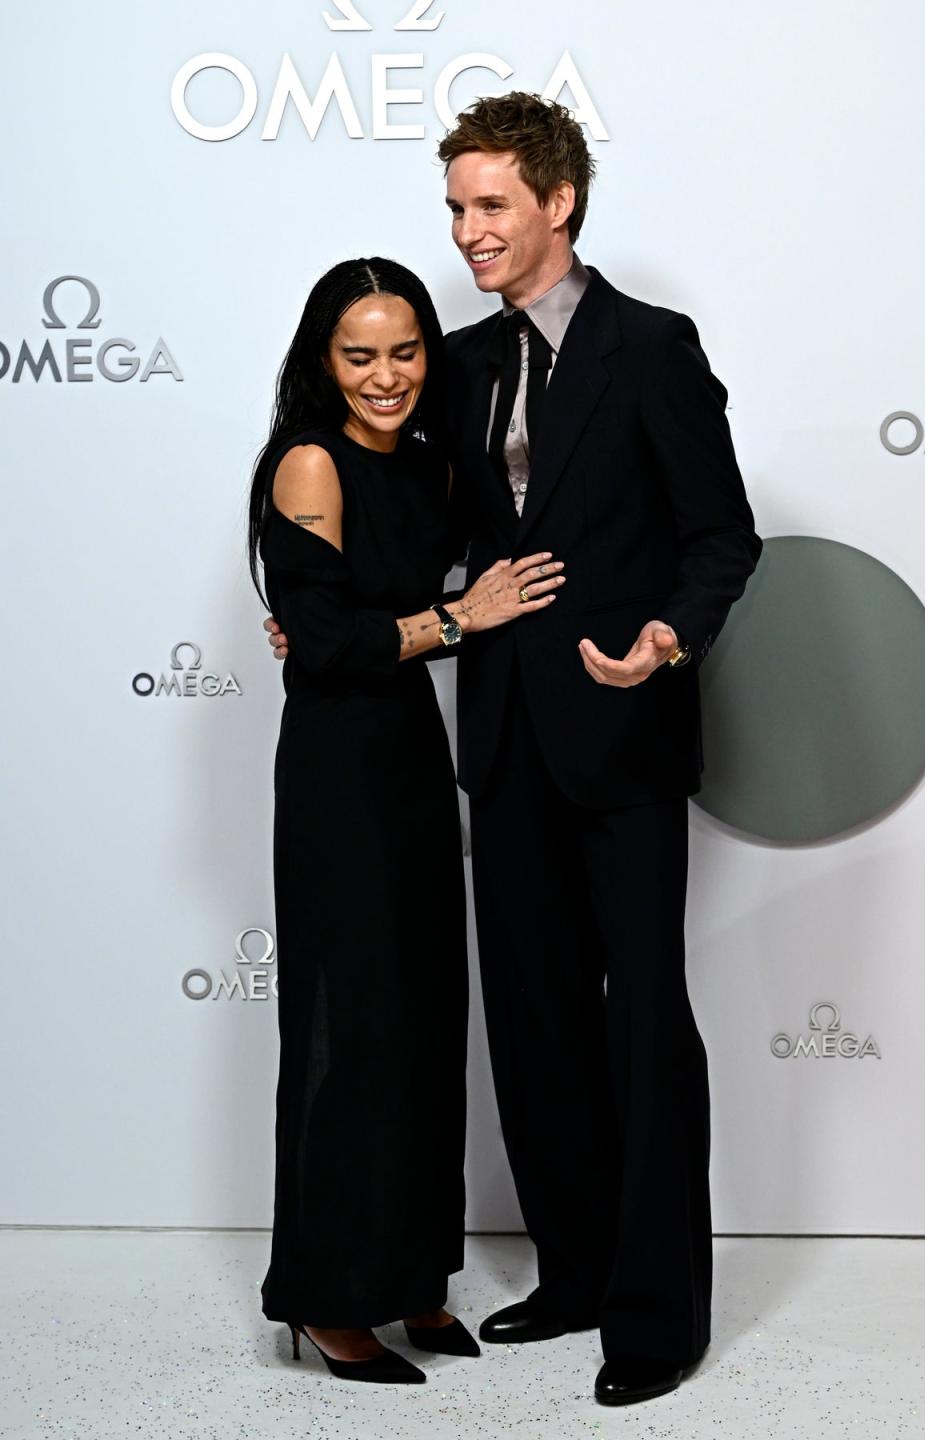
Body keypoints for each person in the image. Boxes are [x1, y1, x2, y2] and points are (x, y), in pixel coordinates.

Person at [266, 94, 762, 1408]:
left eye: (489, 205)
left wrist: (667, 636)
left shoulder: (655, 348)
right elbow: (399, 515)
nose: (467, 231)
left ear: (560, 202)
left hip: (630, 735)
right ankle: (579, 1271)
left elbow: (723, 537)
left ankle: (656, 1314)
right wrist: (322, 613)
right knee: (536, 1027)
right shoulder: (462, 364)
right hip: (501, 744)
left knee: (645, 1024)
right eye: (454, 208)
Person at [250, 256, 565, 1387]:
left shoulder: (434, 471)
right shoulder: (308, 466)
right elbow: (323, 650)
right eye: (358, 354)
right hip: (339, 771)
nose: (385, 375)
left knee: (427, 1017)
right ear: (321, 362)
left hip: (414, 765)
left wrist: (431, 620)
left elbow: (364, 620)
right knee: (352, 1027)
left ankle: (413, 1277)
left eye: (405, 351)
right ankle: (331, 1297)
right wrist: (448, 619)